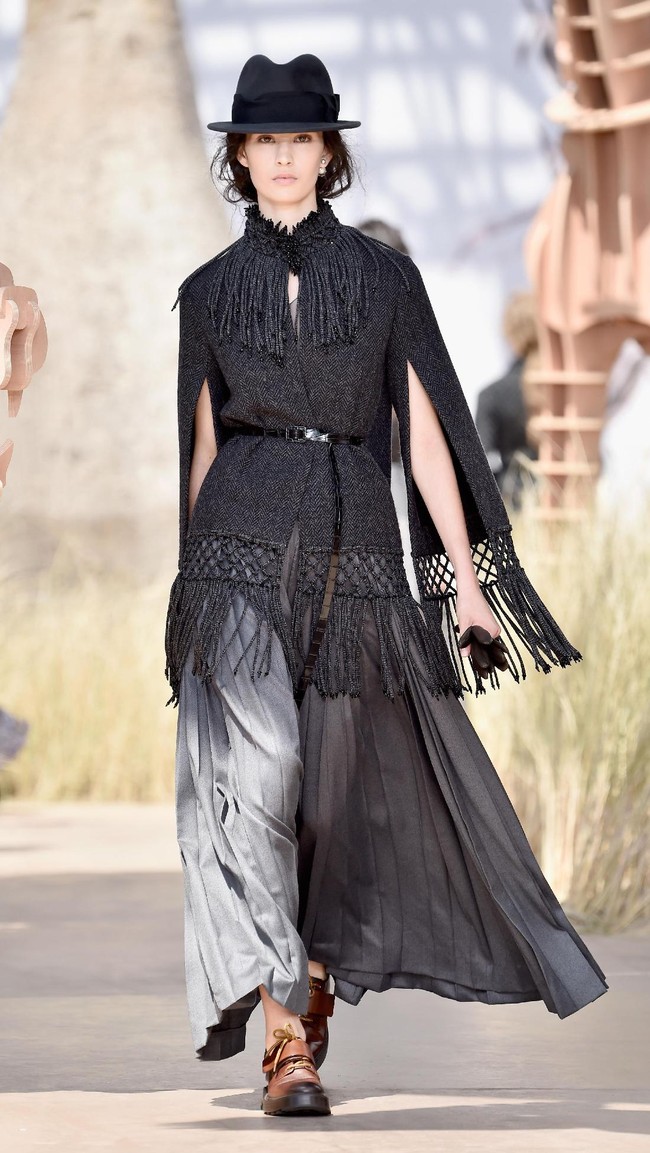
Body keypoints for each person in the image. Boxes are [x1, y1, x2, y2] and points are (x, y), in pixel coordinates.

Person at [165, 54, 607, 1118]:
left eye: (298, 139)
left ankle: (305, 984)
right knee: (262, 781)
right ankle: (285, 1043)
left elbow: (426, 439)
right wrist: (186, 589)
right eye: (261, 141)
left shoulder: (382, 279)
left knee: (333, 803)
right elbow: (197, 444)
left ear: (327, 152)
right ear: (238, 156)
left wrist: (460, 587)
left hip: (360, 560)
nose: (279, 157)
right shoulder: (206, 293)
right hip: (236, 553)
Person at [475, 291, 538, 508]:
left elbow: (483, 466)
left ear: (509, 334)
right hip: (564, 503)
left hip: (513, 505)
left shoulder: (492, 395)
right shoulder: (566, 391)